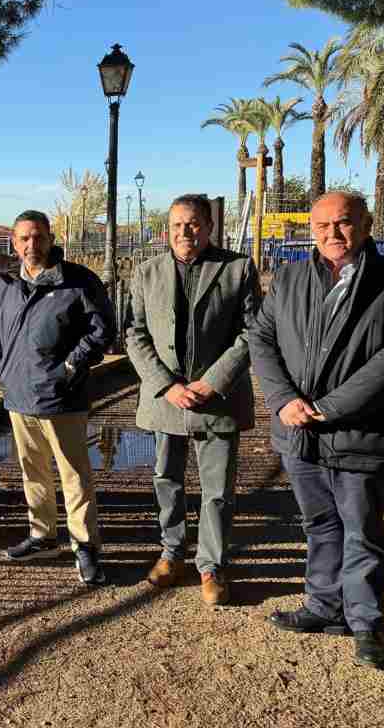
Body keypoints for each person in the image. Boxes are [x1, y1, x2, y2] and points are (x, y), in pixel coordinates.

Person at [250, 191, 384, 669]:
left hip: (360, 434)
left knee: (363, 532)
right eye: (323, 225)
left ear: (366, 224)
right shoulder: (289, 278)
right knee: (319, 525)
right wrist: (284, 400)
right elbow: (262, 338)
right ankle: (323, 606)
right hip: (298, 433)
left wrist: (325, 408)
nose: (332, 233)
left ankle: (367, 623)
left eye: (344, 223)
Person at [126, 195, 261, 605]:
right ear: (166, 229)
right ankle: (171, 553)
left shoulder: (237, 270)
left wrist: (213, 381)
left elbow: (253, 330)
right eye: (177, 225)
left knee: (217, 489)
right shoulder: (146, 272)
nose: (185, 232)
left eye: (194, 224)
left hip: (216, 399)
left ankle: (211, 567)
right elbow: (135, 334)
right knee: (166, 480)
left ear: (209, 227)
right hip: (166, 399)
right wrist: (166, 385)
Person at [0, 210, 115, 585]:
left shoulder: (78, 281)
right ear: (13, 242)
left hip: (62, 396)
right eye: (24, 238)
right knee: (33, 472)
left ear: (50, 238)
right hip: (18, 395)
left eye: (38, 237)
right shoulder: (5, 284)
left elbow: (101, 330)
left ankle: (85, 546)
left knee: (74, 474)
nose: (31, 245)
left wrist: (71, 367)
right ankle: (43, 535)